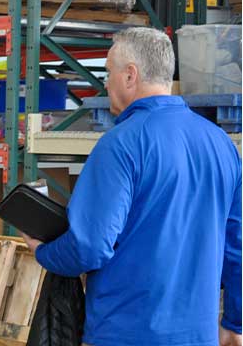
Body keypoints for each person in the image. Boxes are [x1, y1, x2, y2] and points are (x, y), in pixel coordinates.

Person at [21, 27, 241, 346]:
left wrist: (44, 251)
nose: (105, 82)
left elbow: (90, 246)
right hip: (198, 335)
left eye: (109, 72)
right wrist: (235, 321)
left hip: (126, 333)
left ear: (130, 76)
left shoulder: (121, 144)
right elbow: (237, 244)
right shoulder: (220, 143)